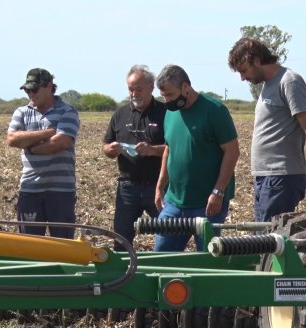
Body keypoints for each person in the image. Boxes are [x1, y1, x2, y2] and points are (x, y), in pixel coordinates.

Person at [228, 37, 306, 222]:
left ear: (256, 59)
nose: (242, 78)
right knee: (264, 239)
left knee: (270, 241)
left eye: (244, 70)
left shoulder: (289, 81)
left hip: (281, 176)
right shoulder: (267, 86)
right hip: (266, 177)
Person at [154, 64, 240, 252]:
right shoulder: (171, 113)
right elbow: (168, 150)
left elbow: (232, 152)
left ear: (185, 87)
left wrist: (218, 192)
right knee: (161, 257)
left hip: (207, 204)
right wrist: (160, 186)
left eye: (170, 94)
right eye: (163, 96)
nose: (167, 100)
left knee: (206, 261)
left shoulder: (214, 110)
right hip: (174, 202)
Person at [7, 68, 80, 238]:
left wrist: (31, 146)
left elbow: (60, 142)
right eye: (27, 90)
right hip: (30, 189)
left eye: (34, 89)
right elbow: (12, 139)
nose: (30, 94)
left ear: (49, 86)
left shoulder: (67, 111)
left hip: (61, 191)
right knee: (29, 245)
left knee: (63, 244)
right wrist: (47, 133)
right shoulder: (21, 112)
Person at [102, 65, 166, 251]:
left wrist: (153, 150)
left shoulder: (165, 113)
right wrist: (110, 150)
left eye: (139, 89)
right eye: (131, 89)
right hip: (127, 187)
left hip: (158, 187)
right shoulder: (120, 114)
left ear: (151, 87)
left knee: (166, 237)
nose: (134, 93)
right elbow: (106, 145)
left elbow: (177, 148)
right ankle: (123, 277)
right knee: (121, 239)